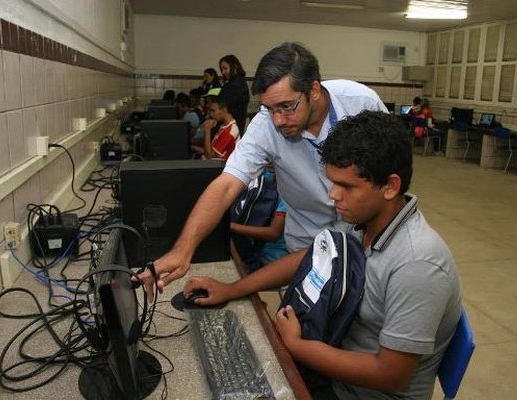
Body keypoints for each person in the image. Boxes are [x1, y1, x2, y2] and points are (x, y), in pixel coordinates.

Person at [183, 110, 462, 400]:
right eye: (332, 182)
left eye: (347, 186)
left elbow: (390, 375)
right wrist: (233, 288)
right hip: (332, 369)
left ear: (390, 186)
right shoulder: (362, 219)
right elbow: (312, 256)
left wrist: (297, 345)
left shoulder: (418, 264)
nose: (333, 195)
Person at [137, 42, 387, 296]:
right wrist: (183, 249)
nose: (277, 120)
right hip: (305, 243)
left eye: (287, 106)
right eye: (269, 108)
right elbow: (226, 185)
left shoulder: (361, 103)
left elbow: (390, 178)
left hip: (366, 240)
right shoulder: (265, 125)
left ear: (313, 90)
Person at [230, 166, 288, 272]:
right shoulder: (266, 175)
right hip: (253, 250)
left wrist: (230, 226)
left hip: (273, 258)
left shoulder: (288, 192)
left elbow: (274, 233)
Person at [191, 95, 239, 160]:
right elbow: (209, 149)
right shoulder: (223, 125)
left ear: (223, 110)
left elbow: (209, 156)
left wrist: (207, 130)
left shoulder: (230, 131)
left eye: (213, 111)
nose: (211, 114)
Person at [218, 54, 250, 135]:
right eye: (222, 69)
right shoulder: (232, 83)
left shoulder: (238, 84)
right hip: (231, 124)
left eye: (225, 68)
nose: (223, 72)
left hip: (234, 125)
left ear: (234, 67)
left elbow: (227, 103)